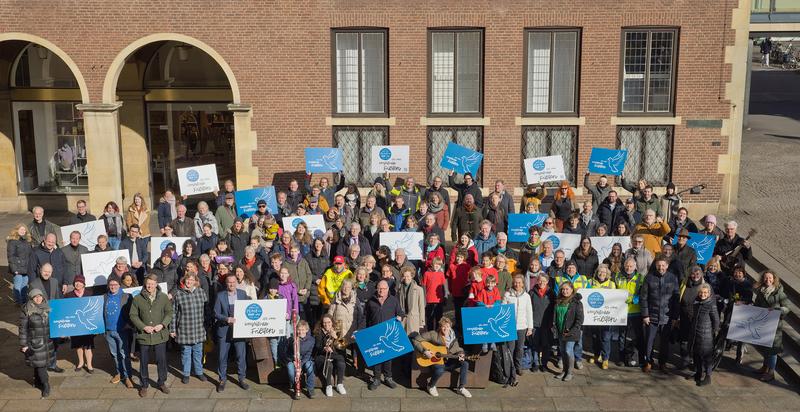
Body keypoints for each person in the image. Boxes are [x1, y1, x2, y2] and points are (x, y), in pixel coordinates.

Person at [129, 275, 174, 397]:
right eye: (148, 284)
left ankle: (161, 382)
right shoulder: (137, 298)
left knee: (161, 360)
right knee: (144, 361)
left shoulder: (163, 297)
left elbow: (169, 312)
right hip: (144, 335)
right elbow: (133, 315)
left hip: (160, 335)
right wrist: (143, 327)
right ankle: (144, 384)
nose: (150, 286)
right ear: (145, 284)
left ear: (156, 284)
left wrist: (163, 324)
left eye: (152, 284)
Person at [413, 317, 472, 398]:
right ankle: (431, 386)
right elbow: (416, 340)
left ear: (450, 327)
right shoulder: (433, 334)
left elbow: (457, 348)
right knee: (440, 369)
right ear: (440, 327)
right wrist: (424, 351)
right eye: (443, 326)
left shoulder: (453, 336)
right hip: (435, 360)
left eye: (448, 326)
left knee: (465, 363)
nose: (446, 328)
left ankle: (461, 388)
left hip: (448, 361)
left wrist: (461, 353)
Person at [640, 258, 679, 373]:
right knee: (649, 341)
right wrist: (645, 315)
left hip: (667, 317)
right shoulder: (649, 277)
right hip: (652, 316)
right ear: (655, 266)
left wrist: (675, 317)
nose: (661, 268)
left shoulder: (673, 278)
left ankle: (662, 363)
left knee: (664, 343)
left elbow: (676, 298)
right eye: (658, 265)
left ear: (667, 266)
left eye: (663, 265)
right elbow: (644, 297)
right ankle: (648, 362)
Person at [365, 280, 405, 390]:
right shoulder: (371, 301)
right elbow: (365, 317)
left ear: (388, 289)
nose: (381, 290)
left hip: (388, 334)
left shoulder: (393, 300)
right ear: (377, 289)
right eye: (379, 288)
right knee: (377, 356)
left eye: (384, 288)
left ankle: (388, 377)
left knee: (388, 357)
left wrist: (400, 317)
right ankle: (376, 379)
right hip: (374, 332)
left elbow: (400, 313)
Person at [213, 273, 251, 392]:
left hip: (239, 330)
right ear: (226, 283)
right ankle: (222, 379)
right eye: (229, 282)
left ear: (236, 282)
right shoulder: (220, 296)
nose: (231, 284)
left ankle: (242, 378)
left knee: (241, 355)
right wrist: (226, 319)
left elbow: (248, 309)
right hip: (224, 329)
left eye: (234, 282)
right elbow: (215, 313)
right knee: (222, 356)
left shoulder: (242, 294)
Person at [170, 272, 209, 384]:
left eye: (192, 280)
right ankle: (186, 374)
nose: (189, 282)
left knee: (198, 353)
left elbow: (206, 310)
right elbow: (174, 313)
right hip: (184, 329)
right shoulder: (178, 294)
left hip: (198, 328)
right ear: (184, 281)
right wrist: (172, 329)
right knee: (186, 353)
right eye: (187, 279)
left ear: (195, 281)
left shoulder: (201, 292)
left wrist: (207, 325)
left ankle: (199, 372)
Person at [753, 270, 790, 382]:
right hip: (764, 323)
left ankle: (771, 372)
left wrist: (776, 310)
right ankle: (765, 367)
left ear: (774, 279)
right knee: (765, 347)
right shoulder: (761, 291)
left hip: (775, 325)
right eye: (765, 278)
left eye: (770, 278)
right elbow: (757, 305)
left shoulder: (780, 293)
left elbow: (787, 308)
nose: (768, 280)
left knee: (772, 350)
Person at [19, 288, 55, 398]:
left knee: (39, 364)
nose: (38, 298)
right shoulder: (26, 310)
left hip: (47, 341)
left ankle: (38, 381)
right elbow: (23, 329)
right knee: (40, 365)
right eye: (35, 297)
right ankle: (46, 385)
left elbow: (55, 324)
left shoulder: (48, 307)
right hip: (35, 343)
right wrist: (23, 345)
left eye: (40, 296)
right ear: (31, 298)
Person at [103, 278, 134, 388]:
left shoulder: (126, 296)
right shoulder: (104, 297)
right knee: (114, 354)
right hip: (109, 331)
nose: (113, 286)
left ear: (119, 285)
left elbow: (132, 313)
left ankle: (128, 376)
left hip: (122, 331)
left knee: (124, 354)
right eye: (111, 284)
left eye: (115, 284)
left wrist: (129, 325)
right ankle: (119, 373)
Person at [615, 258, 645, 367]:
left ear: (635, 267)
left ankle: (640, 359)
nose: (629, 268)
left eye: (631, 266)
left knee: (639, 336)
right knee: (622, 336)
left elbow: (643, 294)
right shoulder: (618, 276)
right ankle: (621, 358)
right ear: (624, 265)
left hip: (636, 311)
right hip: (621, 312)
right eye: (627, 266)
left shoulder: (640, 278)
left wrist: (634, 299)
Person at [504, 275, 533, 381]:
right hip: (510, 327)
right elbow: (503, 310)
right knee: (510, 349)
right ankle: (510, 368)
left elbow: (529, 312)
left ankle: (518, 367)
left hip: (522, 326)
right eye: (515, 282)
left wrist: (530, 327)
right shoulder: (507, 294)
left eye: (519, 282)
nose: (517, 284)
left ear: (523, 284)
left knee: (520, 349)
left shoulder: (526, 296)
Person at [553, 281, 583, 382]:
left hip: (571, 332)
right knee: (562, 351)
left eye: (567, 289)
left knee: (568, 351)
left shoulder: (576, 302)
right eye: (563, 289)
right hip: (560, 331)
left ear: (572, 290)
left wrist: (571, 331)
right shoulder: (558, 301)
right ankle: (564, 371)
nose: (565, 291)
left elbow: (579, 320)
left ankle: (570, 373)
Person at [690, 284, 719, 386]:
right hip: (695, 332)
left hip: (706, 334)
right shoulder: (696, 302)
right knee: (696, 353)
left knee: (707, 356)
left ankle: (708, 376)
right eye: (701, 292)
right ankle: (698, 372)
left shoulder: (711, 304)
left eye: (705, 293)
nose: (703, 294)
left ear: (709, 294)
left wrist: (713, 332)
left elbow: (716, 320)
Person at [65, 275, 95, 372]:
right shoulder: (68, 295)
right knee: (78, 345)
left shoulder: (90, 294)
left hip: (87, 325)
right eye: (76, 282)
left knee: (88, 346)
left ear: (84, 284)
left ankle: (89, 365)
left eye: (80, 282)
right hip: (75, 325)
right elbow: (65, 310)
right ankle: (81, 362)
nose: (78, 284)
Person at [588, 265, 616, 369]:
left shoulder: (611, 284)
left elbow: (614, 300)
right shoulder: (590, 282)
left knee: (605, 337)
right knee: (595, 337)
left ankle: (605, 359)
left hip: (606, 316)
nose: (602, 274)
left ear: (607, 274)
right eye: (600, 272)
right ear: (597, 272)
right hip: (593, 316)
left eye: (604, 272)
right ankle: (596, 355)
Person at [314, 314, 348, 397]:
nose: (327, 324)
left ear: (332, 322)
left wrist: (335, 337)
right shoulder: (318, 332)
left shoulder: (337, 331)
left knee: (341, 362)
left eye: (329, 322)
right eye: (324, 322)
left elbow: (343, 347)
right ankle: (328, 385)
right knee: (329, 365)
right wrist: (324, 348)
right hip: (322, 355)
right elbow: (317, 346)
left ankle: (339, 384)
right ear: (322, 323)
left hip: (334, 354)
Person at [529, 274, 555, 372]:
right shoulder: (531, 293)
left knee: (546, 345)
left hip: (547, 324)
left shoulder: (551, 293)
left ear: (547, 282)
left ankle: (544, 364)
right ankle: (535, 363)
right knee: (534, 345)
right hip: (534, 323)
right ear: (537, 281)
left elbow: (554, 309)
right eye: (540, 280)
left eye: (544, 281)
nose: (542, 283)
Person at [286, 320, 315, 399]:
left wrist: (300, 365)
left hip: (305, 360)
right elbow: (287, 353)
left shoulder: (311, 340)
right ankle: (295, 387)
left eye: (302, 329)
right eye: (299, 329)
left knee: (310, 367)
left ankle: (310, 388)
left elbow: (308, 354)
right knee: (290, 368)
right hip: (294, 360)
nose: (300, 331)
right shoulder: (292, 339)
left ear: (306, 330)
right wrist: (293, 360)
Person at [8, 223, 34, 304]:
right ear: (17, 230)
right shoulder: (12, 241)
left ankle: (24, 301)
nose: (23, 231)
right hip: (17, 268)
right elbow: (10, 256)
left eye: (24, 229)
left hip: (26, 268)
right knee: (17, 286)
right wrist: (14, 269)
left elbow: (30, 254)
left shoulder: (28, 241)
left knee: (24, 286)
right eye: (21, 229)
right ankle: (18, 302)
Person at [422, 257, 449, 331]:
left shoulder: (441, 274)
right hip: (429, 300)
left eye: (439, 264)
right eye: (436, 264)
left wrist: (445, 297)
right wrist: (423, 299)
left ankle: (438, 334)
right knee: (430, 318)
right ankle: (430, 334)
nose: (437, 266)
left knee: (439, 319)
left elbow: (444, 287)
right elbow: (423, 287)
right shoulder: (426, 273)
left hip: (439, 301)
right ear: (432, 264)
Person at [447, 251, 471, 330]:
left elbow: (470, 278)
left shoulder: (467, 266)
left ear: (464, 258)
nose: (459, 258)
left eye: (461, 257)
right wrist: (450, 289)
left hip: (464, 291)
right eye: (458, 256)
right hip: (455, 291)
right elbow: (449, 279)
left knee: (464, 309)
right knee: (457, 310)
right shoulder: (451, 266)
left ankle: (465, 326)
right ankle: (458, 326)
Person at [398, 266, 426, 334]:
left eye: (408, 276)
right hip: (402, 319)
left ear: (412, 276)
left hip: (414, 319)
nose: (406, 278)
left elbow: (421, 306)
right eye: (404, 276)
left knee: (413, 340)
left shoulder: (419, 289)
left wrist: (421, 322)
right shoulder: (399, 289)